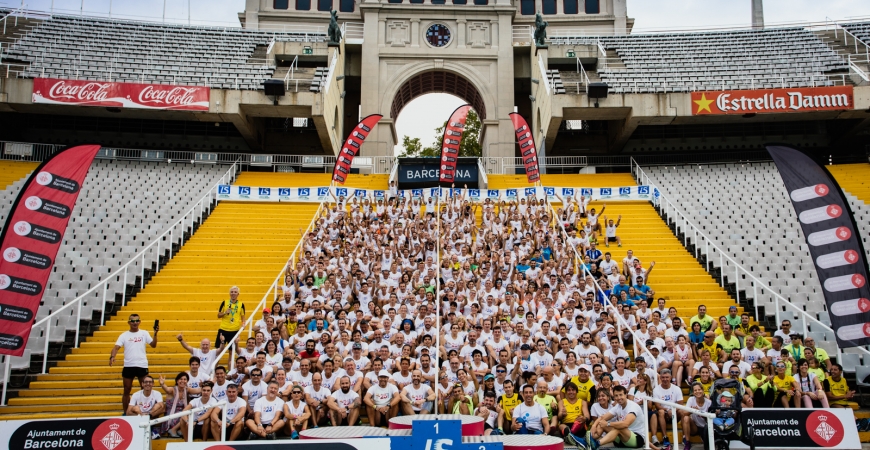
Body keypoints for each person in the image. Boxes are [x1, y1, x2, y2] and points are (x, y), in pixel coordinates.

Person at [110, 313, 158, 414]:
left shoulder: (144, 333)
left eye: (137, 321)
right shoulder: (124, 335)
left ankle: (145, 411)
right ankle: (126, 412)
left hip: (142, 365)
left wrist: (155, 333)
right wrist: (112, 356)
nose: (135, 323)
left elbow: (153, 345)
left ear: (140, 322)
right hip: (128, 365)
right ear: (129, 322)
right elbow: (116, 347)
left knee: (145, 389)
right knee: (127, 390)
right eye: (132, 321)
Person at [588, 385, 647, 450]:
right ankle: (589, 441)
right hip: (622, 440)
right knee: (601, 423)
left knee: (619, 427)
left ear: (626, 394)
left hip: (637, 439)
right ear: (614, 397)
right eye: (616, 395)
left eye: (620, 395)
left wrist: (608, 424)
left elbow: (625, 424)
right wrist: (594, 425)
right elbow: (603, 418)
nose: (619, 397)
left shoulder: (632, 407)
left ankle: (597, 444)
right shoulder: (618, 406)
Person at [128, 375, 164, 440]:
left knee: (159, 405)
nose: (148, 384)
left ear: (153, 384)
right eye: (146, 382)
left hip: (152, 416)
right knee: (135, 408)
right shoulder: (136, 395)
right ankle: (151, 431)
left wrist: (150, 415)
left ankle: (151, 431)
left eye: (150, 382)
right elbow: (128, 412)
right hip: (139, 417)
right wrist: (141, 415)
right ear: (142, 384)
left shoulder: (157, 393)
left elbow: (163, 409)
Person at [681, 383, 710, 450]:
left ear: (702, 390)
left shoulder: (709, 402)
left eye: (699, 389)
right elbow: (684, 413)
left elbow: (710, 419)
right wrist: (692, 410)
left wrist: (699, 412)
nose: (697, 392)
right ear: (693, 392)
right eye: (695, 390)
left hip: (706, 427)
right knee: (686, 418)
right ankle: (687, 442)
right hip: (695, 427)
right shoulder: (691, 399)